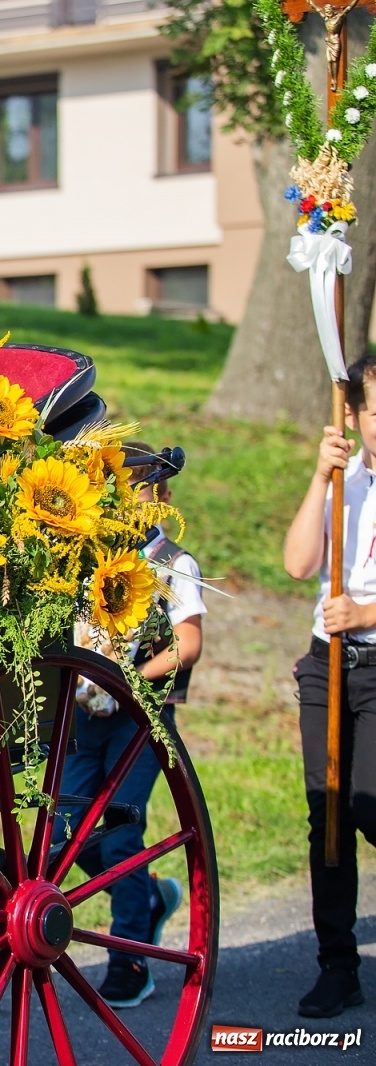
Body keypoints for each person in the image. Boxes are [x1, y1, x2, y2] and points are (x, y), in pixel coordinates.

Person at [58, 442, 204, 1009]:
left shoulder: (174, 563)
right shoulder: (86, 557)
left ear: (161, 499)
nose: (127, 501)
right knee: (70, 829)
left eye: (139, 490)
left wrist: (133, 675)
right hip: (84, 710)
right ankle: (147, 897)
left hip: (140, 715)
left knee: (120, 831)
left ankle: (130, 959)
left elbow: (187, 646)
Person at [283, 353, 376, 1018]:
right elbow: (296, 564)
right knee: (330, 815)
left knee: (369, 804)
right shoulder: (345, 479)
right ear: (354, 414)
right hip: (327, 661)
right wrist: (321, 476)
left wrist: (369, 613)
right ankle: (337, 966)